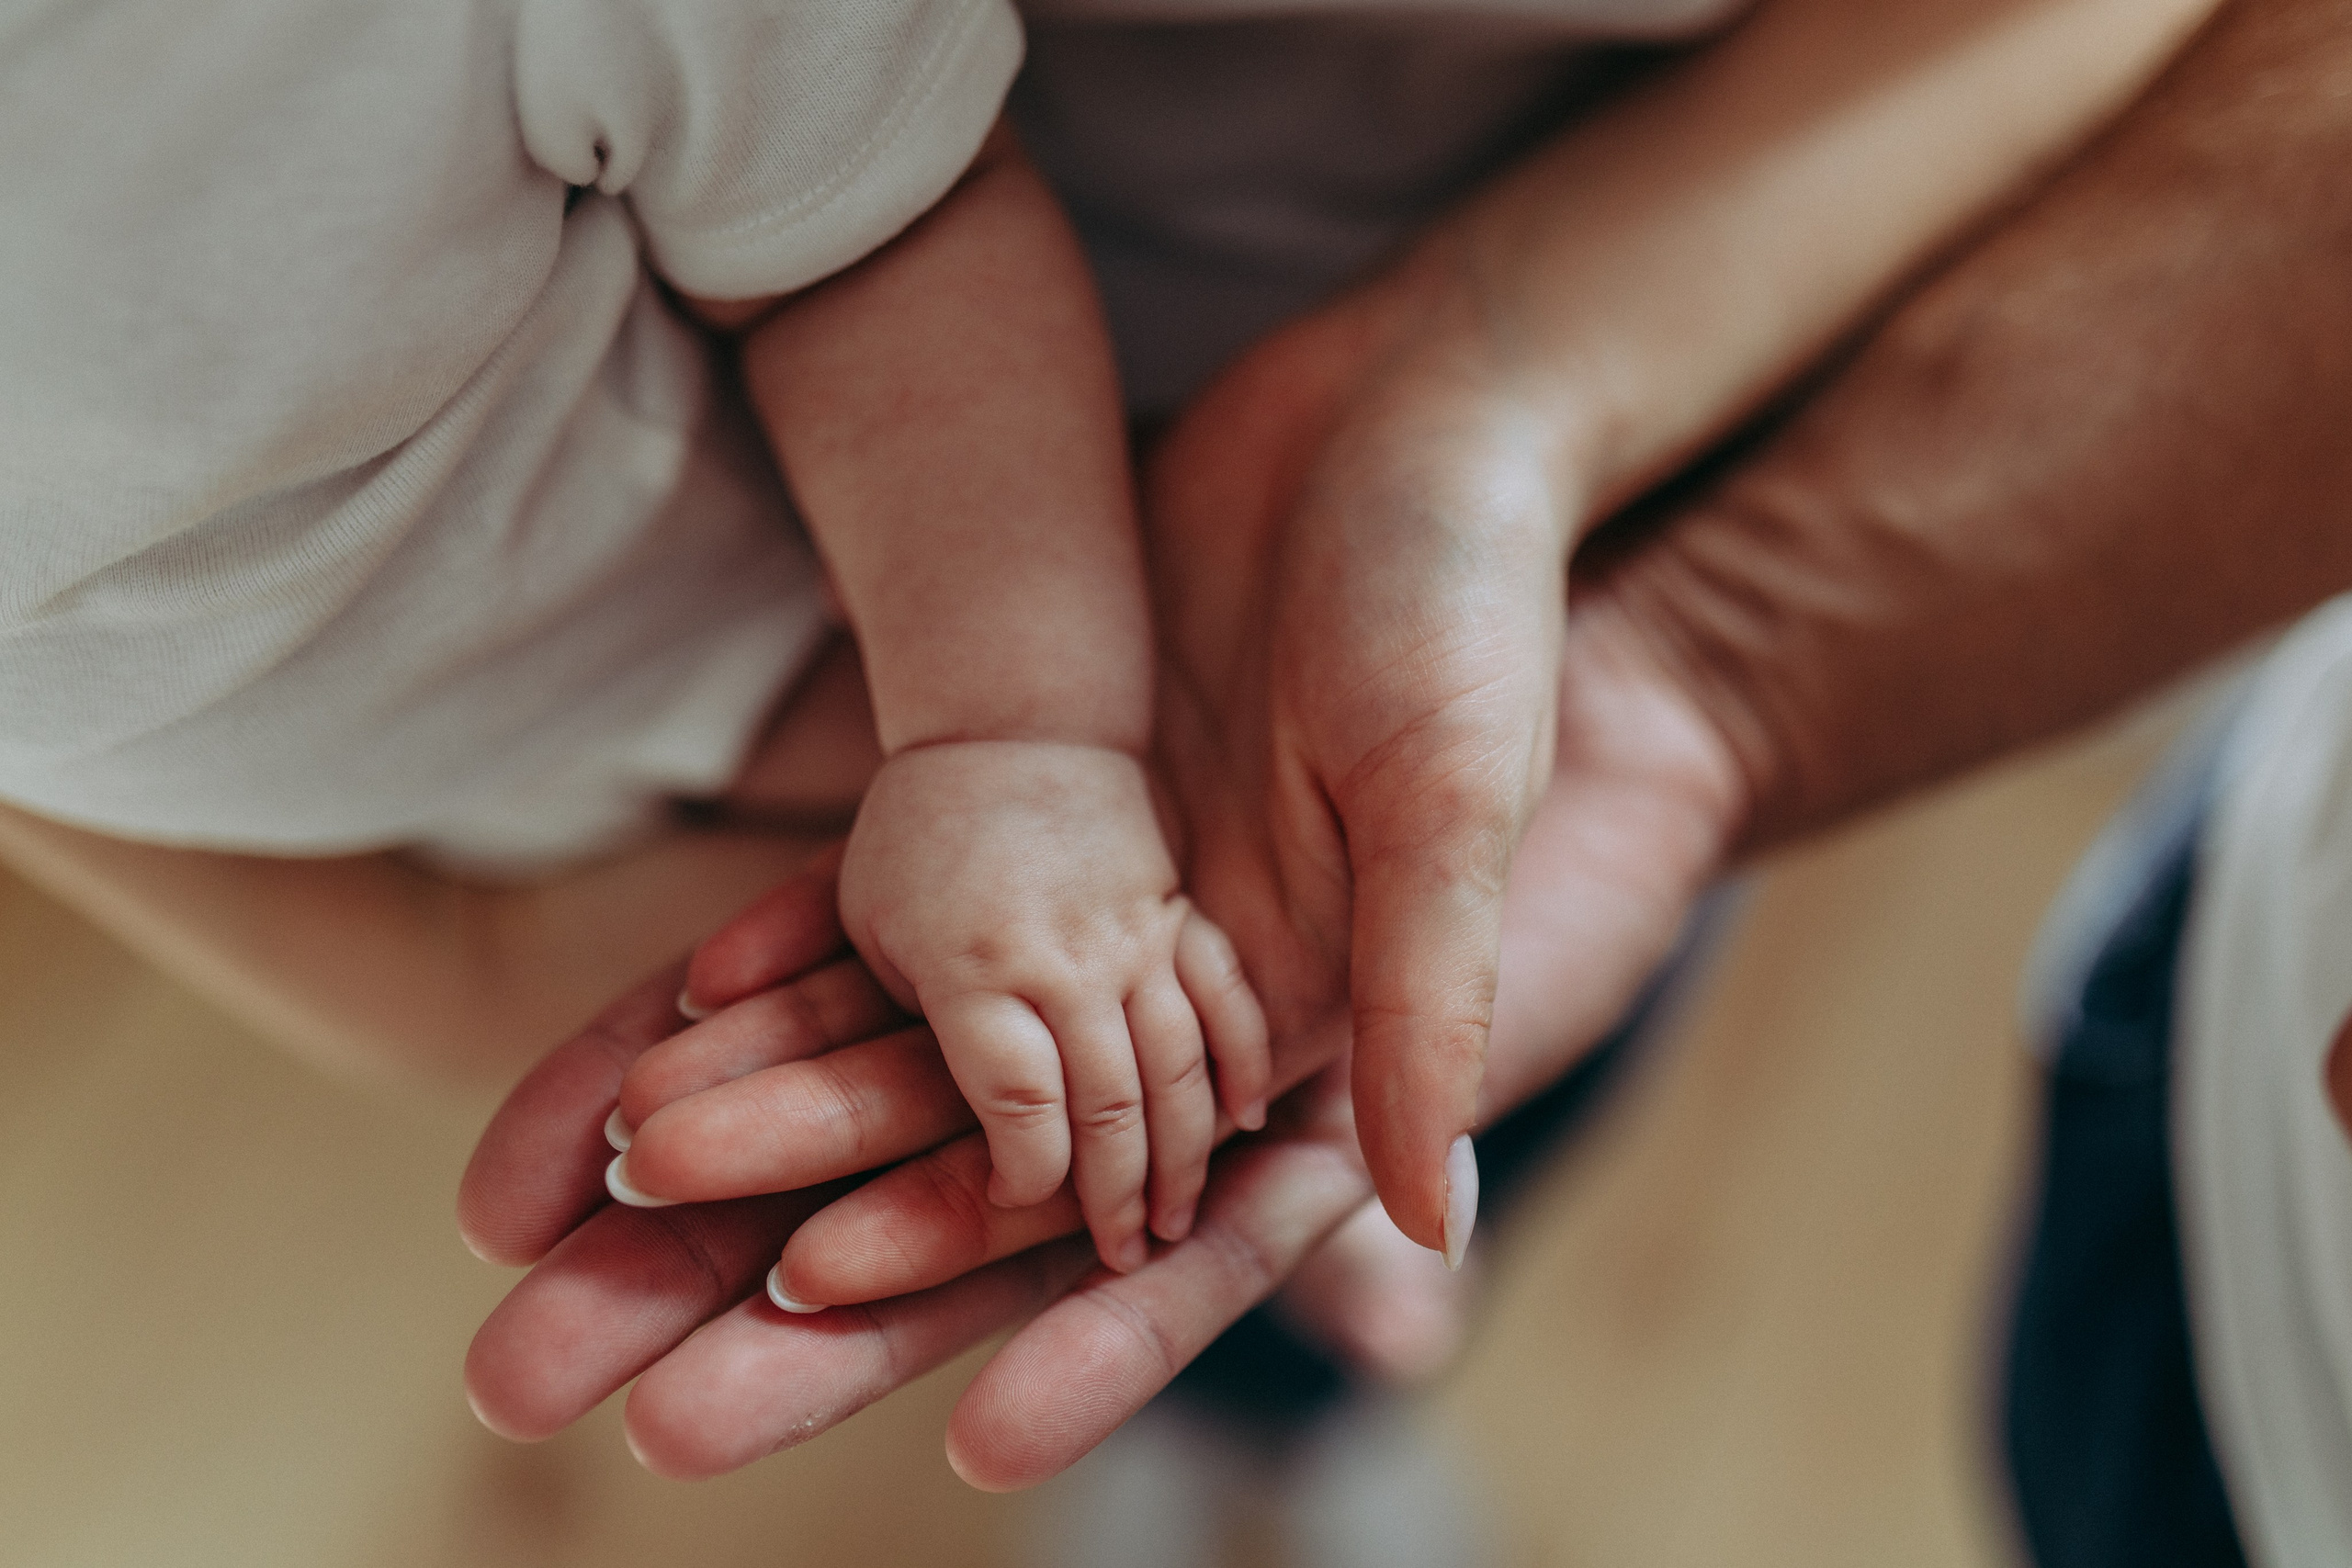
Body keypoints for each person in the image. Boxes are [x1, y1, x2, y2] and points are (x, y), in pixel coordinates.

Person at [459, 12, 2352, 1568]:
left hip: (1654, 433)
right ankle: (1224, 1424)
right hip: (960, 502)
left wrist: (1548, 423)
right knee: (1233, 1122)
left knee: (1411, 1098)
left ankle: (1291, 1414)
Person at [0, 0, 2182, 1273]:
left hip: (1039, 554)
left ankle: (1330, 1360)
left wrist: (1012, 741)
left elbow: (873, 237)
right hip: (522, 824)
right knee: (1108, 1125)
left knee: (1379, 1007)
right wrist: (428, 969)